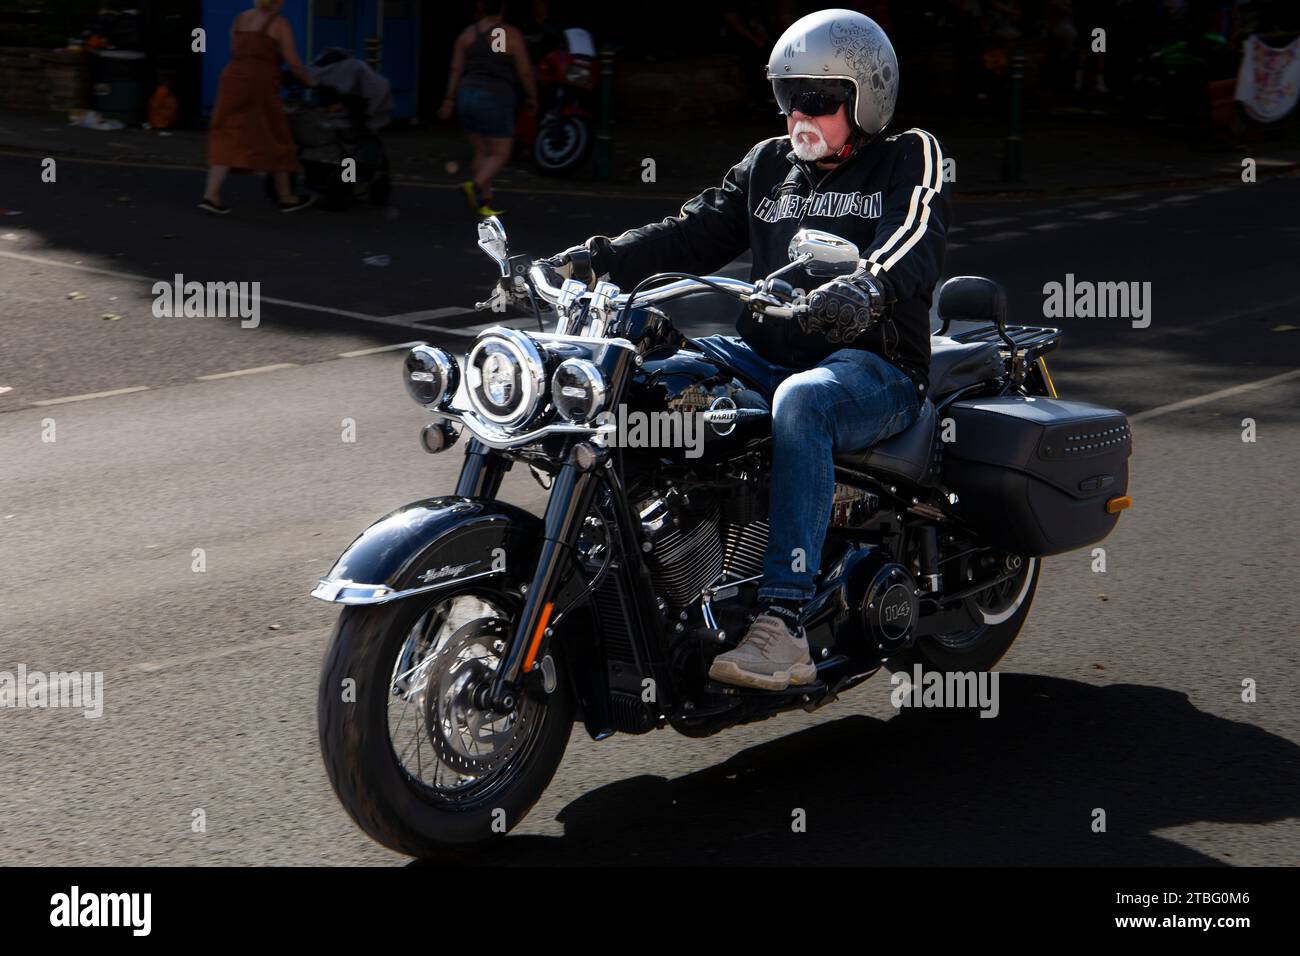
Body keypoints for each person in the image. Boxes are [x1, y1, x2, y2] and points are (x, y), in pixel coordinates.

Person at [544, 9, 947, 690]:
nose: (800, 113)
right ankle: (657, 573)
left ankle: (783, 623)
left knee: (803, 404)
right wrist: (600, 261)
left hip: (874, 366)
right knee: (640, 381)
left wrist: (868, 288)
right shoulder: (768, 166)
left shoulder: (908, 156)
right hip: (763, 355)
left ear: (867, 94)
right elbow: (690, 233)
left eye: (820, 98)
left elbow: (915, 237)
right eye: (790, 95)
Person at [201, 0, 317, 214]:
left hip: (232, 79)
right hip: (260, 83)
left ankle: (211, 195)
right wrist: (310, 82)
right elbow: (293, 62)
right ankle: (286, 197)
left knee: (228, 133)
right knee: (275, 132)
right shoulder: (279, 23)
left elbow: (233, 49)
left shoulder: (240, 18)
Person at [438, 0, 538, 217]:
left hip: (467, 94)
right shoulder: (509, 34)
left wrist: (449, 99)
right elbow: (525, 71)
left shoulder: (467, 35)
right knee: (501, 153)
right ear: (503, 7)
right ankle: (474, 185)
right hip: (496, 97)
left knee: (483, 151)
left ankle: (484, 202)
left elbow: (456, 68)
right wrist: (532, 96)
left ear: (480, 8)